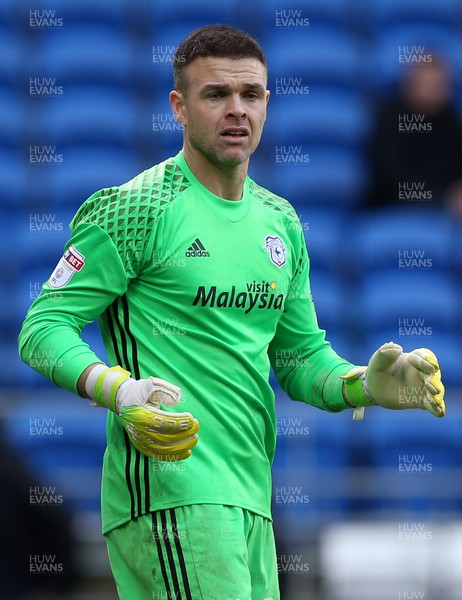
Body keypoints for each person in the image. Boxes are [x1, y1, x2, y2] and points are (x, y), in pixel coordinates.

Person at [19, 25, 445, 600]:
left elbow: (297, 357)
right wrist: (116, 389)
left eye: (251, 94)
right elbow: (42, 326)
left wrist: (361, 384)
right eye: (215, 94)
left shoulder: (281, 222)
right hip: (171, 492)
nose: (236, 110)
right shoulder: (133, 210)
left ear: (268, 101)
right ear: (179, 106)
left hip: (252, 499)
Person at [365, 56, 462, 216]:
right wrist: (440, 196)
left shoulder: (450, 120)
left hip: (444, 207)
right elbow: (390, 175)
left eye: (439, 85)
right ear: (410, 85)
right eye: (429, 85)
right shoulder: (391, 118)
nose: (434, 91)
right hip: (391, 206)